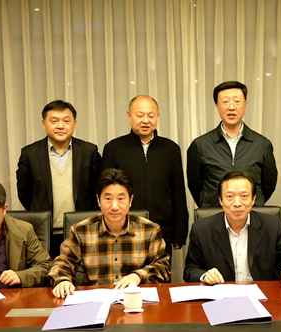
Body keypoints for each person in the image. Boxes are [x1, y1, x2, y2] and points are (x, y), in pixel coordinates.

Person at [48, 168, 170, 298]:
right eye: (108, 198)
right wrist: (63, 280)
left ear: (131, 200)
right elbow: (61, 264)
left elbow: (163, 267)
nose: (114, 206)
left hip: (135, 301)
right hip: (95, 302)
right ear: (98, 200)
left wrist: (138, 276)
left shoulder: (150, 230)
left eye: (121, 198)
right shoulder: (81, 231)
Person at [100, 95, 188, 263]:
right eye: (140, 115)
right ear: (129, 115)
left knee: (160, 275)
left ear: (158, 116)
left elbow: (178, 192)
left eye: (151, 115)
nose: (146, 120)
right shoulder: (113, 149)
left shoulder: (171, 149)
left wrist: (179, 232)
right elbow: (106, 193)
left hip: (162, 230)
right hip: (124, 230)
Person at [184, 171, 281, 286]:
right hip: (221, 294)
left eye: (244, 196)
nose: (237, 203)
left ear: (253, 199)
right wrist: (204, 275)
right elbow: (190, 270)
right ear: (220, 200)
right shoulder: (201, 230)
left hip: (263, 294)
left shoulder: (272, 226)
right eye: (230, 196)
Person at [16, 100, 102, 258]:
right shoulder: (30, 153)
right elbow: (24, 192)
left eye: (66, 121)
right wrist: (40, 213)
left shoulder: (89, 151)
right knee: (47, 270)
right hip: (45, 233)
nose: (60, 126)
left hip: (82, 230)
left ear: (74, 124)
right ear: (44, 124)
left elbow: (98, 190)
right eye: (54, 121)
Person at [187, 81, 278, 208]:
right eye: (225, 102)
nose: (231, 107)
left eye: (237, 101)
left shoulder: (262, 144)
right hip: (214, 213)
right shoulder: (200, 145)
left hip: (251, 213)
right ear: (217, 106)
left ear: (245, 105)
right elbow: (194, 185)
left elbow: (268, 184)